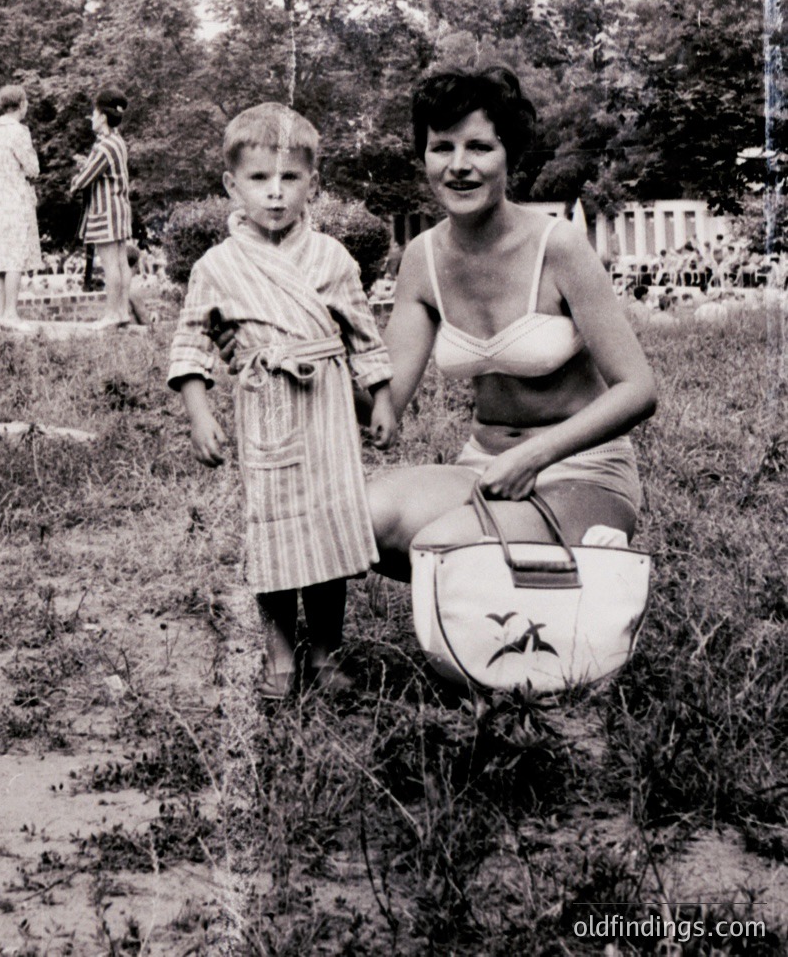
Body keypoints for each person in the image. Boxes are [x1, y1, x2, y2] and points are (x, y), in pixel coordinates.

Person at [368, 65, 656, 581]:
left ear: (509, 156)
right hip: (484, 467)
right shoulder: (422, 258)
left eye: (479, 147)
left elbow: (638, 390)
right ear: (424, 156)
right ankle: (534, 573)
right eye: (442, 147)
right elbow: (382, 402)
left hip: (581, 469)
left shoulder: (559, 246)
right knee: (357, 520)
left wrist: (536, 455)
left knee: (441, 549)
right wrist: (300, 345)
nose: (459, 166)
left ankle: (582, 563)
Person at [167, 103, 396, 700]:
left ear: (313, 184)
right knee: (273, 531)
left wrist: (382, 399)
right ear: (231, 185)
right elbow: (191, 344)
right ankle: (278, 652)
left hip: (325, 409)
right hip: (265, 405)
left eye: (290, 178)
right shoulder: (217, 267)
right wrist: (199, 414)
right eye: (259, 180)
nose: (275, 194)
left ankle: (324, 652)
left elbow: (364, 335)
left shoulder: (333, 259)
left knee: (329, 529)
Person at [69, 87, 132, 328]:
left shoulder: (104, 146)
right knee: (121, 262)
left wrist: (74, 183)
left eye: (94, 113)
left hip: (105, 212)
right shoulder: (118, 142)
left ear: (103, 116)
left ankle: (111, 315)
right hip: (120, 208)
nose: (92, 118)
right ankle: (123, 312)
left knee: (110, 265)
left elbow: (84, 179)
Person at [0, 84, 41, 332]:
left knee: (0, 255)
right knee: (15, 254)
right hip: (14, 198)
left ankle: (2, 312)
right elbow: (32, 168)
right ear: (22, 104)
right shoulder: (18, 131)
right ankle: (11, 314)